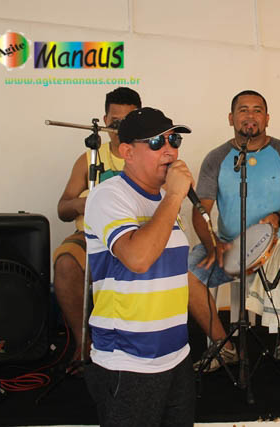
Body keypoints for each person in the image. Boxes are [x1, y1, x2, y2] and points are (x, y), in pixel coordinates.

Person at [187, 90, 280, 372]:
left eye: (257, 110)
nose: (250, 116)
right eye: (243, 110)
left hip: (279, 244)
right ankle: (224, 347)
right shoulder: (216, 158)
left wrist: (278, 217)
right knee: (183, 274)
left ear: (267, 118)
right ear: (231, 118)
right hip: (228, 245)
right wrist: (212, 244)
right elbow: (200, 209)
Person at [83, 107, 195, 426]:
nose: (170, 150)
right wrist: (174, 196)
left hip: (175, 354)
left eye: (174, 140)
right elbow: (138, 259)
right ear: (127, 152)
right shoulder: (108, 196)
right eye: (157, 142)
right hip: (129, 361)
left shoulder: (164, 200)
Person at [53, 87, 141, 371]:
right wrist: (85, 203)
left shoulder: (147, 156)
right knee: (65, 262)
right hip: (91, 236)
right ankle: (84, 345)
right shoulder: (90, 158)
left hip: (133, 236)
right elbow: (62, 208)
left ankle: (135, 347)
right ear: (104, 121)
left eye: (128, 122)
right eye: (115, 122)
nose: (120, 129)